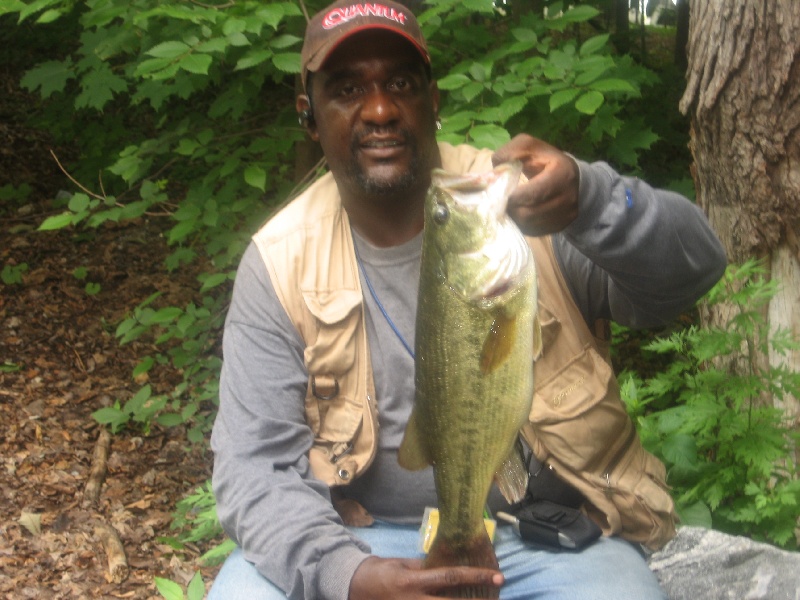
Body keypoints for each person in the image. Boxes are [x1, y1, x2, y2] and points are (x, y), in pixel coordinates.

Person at [209, 1, 727, 599]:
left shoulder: (522, 201)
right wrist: (346, 577)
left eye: (400, 83)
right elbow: (254, 467)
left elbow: (694, 270)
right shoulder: (278, 262)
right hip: (363, 543)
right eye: (348, 89)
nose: (379, 110)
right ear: (309, 116)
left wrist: (594, 200)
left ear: (434, 100)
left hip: (541, 537)